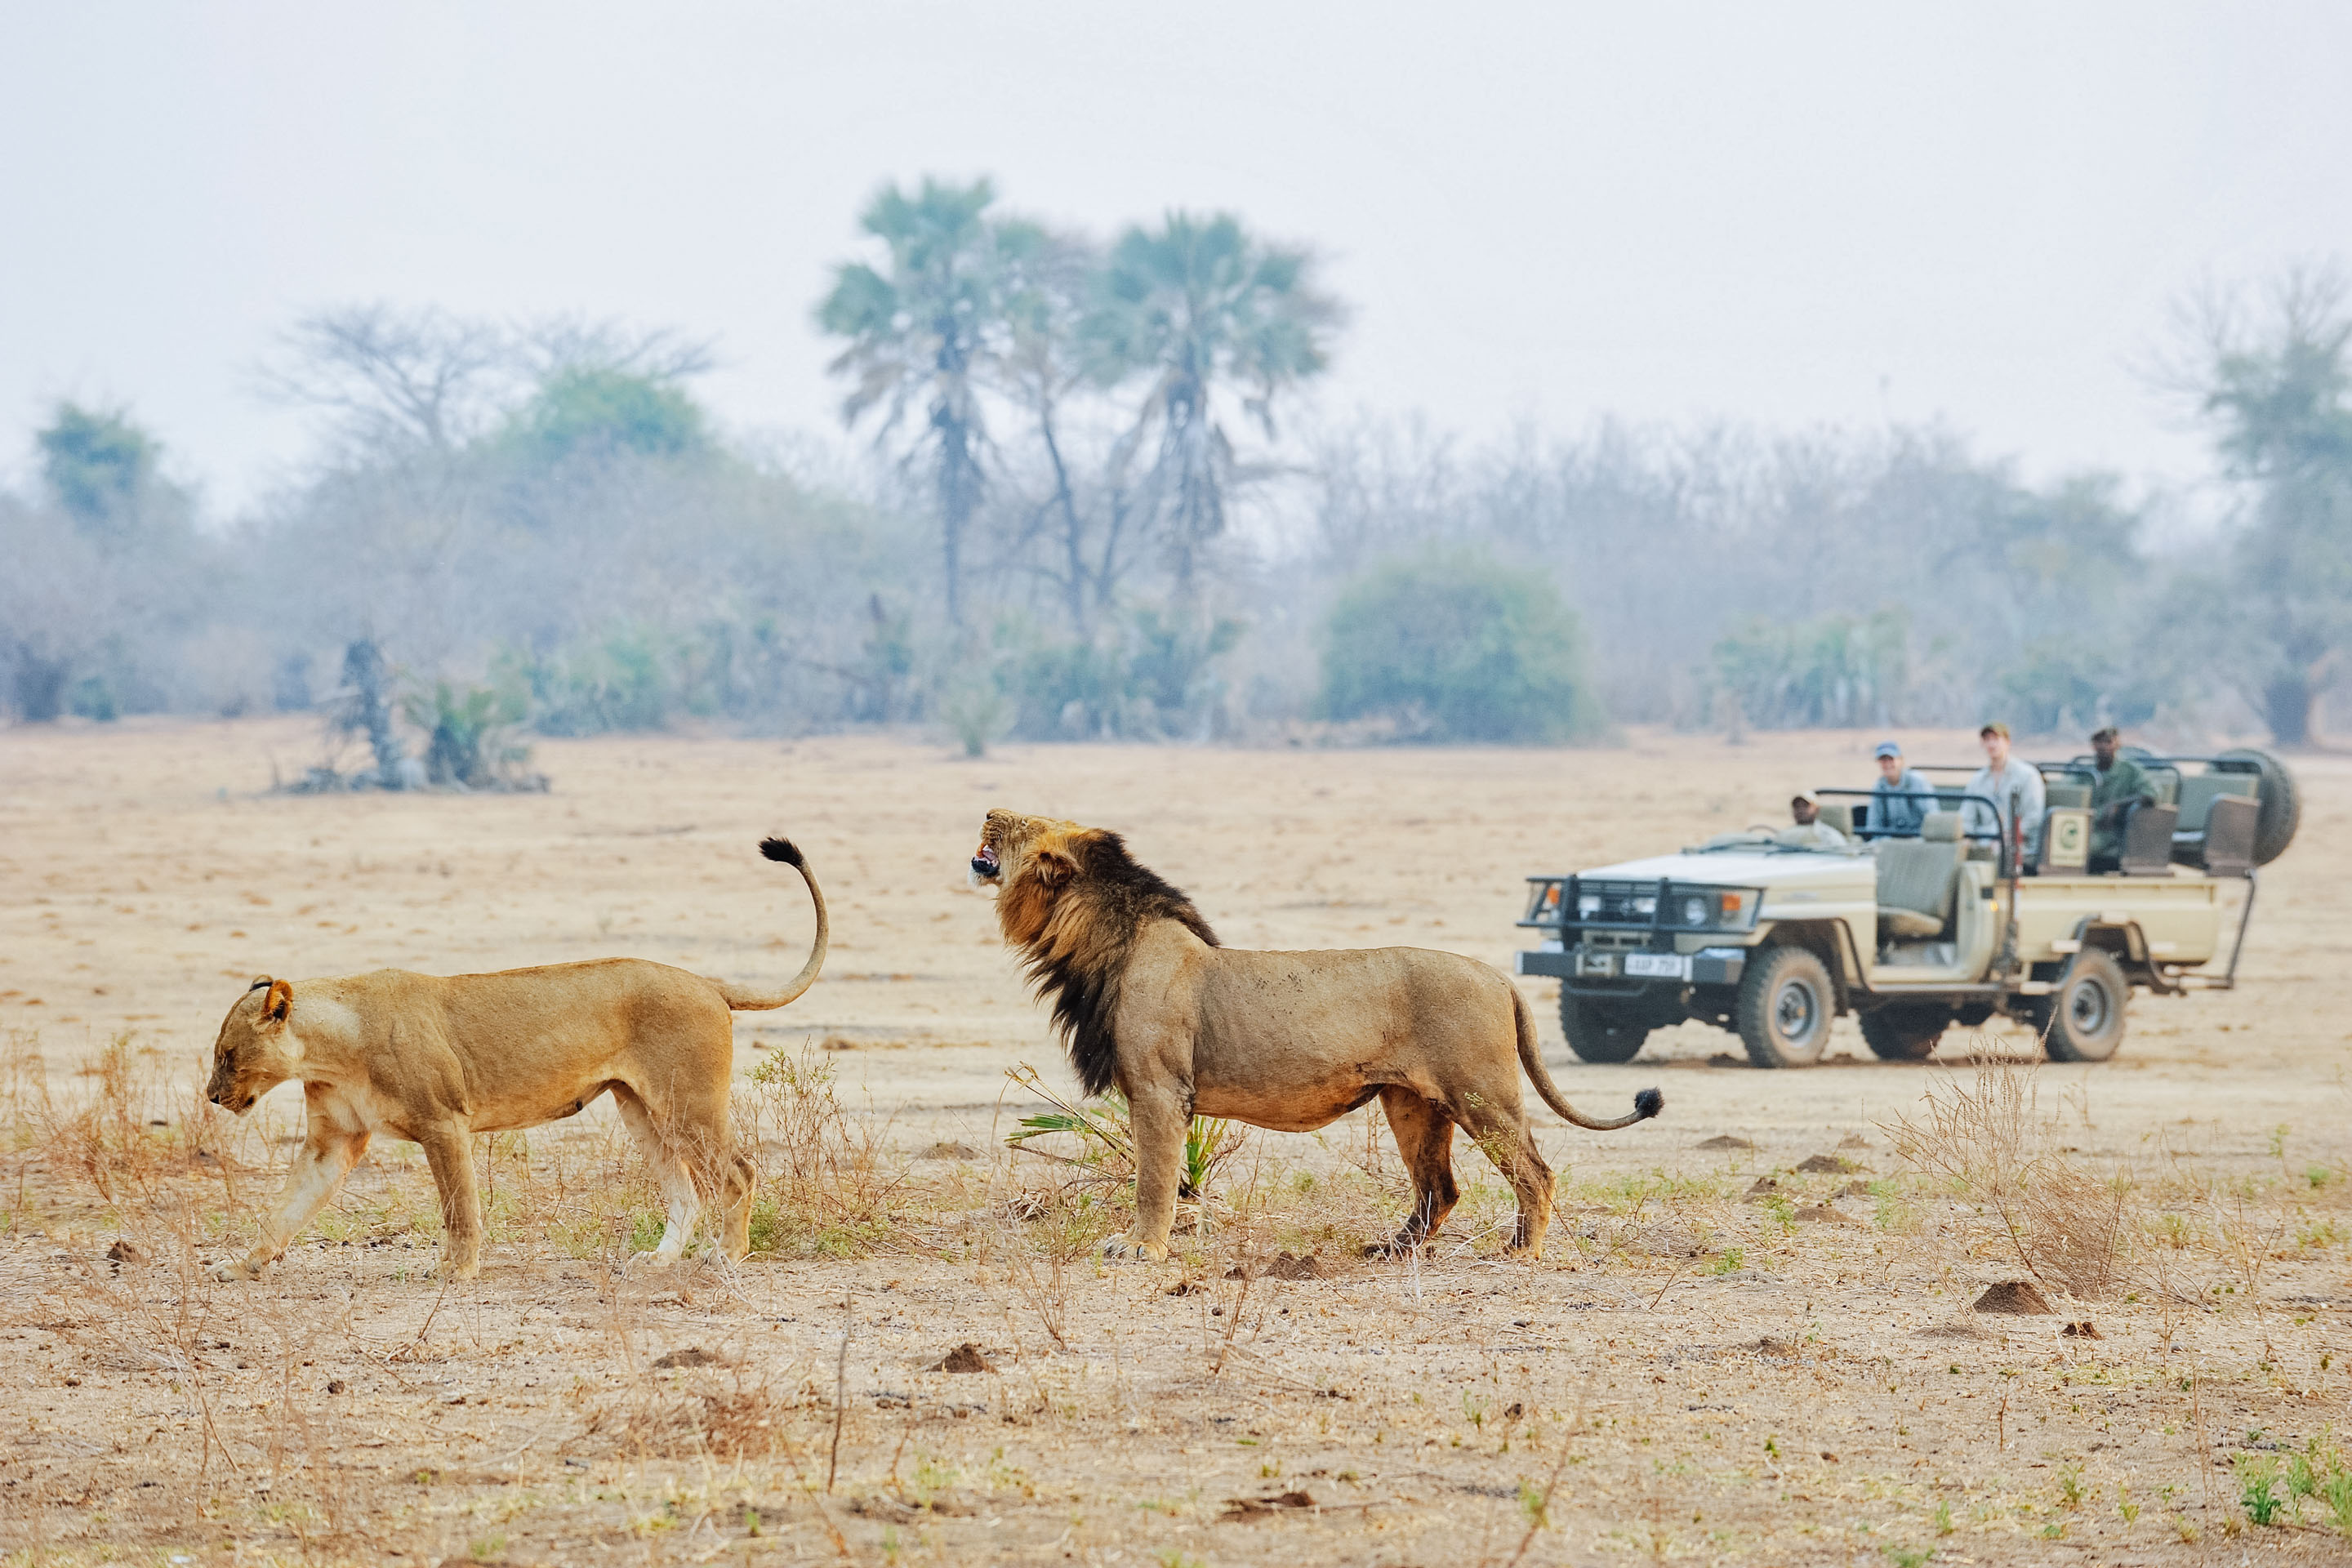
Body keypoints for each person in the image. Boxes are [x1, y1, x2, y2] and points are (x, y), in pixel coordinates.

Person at [1962, 722, 2046, 866]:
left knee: (1994, 854)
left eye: (1996, 739)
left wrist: (2010, 835)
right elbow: (1967, 816)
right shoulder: (1978, 780)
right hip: (1985, 840)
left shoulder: (2027, 775)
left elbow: (2034, 817)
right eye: (1987, 740)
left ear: (2007, 742)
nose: (1992, 744)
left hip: (2019, 844)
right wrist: (1965, 837)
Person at [2086, 724, 2157, 871]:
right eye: (2099, 742)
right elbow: (2070, 789)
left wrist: (2117, 805)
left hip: (2112, 833)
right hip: (2086, 826)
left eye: (2108, 742)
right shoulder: (2086, 773)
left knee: (2081, 846)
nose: (2104, 746)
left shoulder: (2130, 771)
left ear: (2117, 744)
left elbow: (2151, 794)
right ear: (2093, 745)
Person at [1868, 741, 1935, 838]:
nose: (1887, 764)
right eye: (1883, 760)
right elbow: (1874, 823)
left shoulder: (1917, 782)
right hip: (1891, 841)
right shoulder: (1879, 787)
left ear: (1901, 760)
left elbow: (1932, 817)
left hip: (1918, 838)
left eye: (1891, 759)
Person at [1779, 790, 1851, 850]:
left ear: (1816, 809)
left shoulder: (1827, 835)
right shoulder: (1784, 834)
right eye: (1797, 806)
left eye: (1805, 806)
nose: (1800, 810)